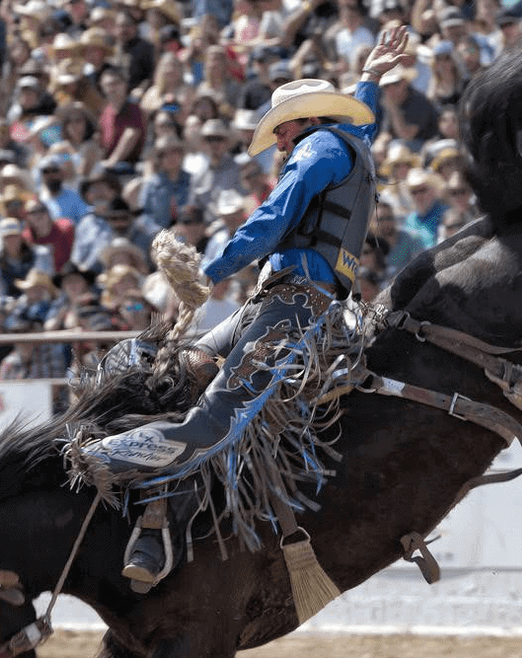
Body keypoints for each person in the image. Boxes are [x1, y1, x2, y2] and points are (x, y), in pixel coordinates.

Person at [79, 26, 411, 591]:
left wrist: (206, 272)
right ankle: (156, 526)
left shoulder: (317, 149)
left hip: (294, 307)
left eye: (279, 130)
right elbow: (366, 120)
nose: (278, 143)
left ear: (299, 120)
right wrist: (371, 77)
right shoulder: (348, 143)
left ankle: (106, 459)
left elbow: (275, 219)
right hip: (285, 302)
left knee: (219, 416)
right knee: (182, 379)